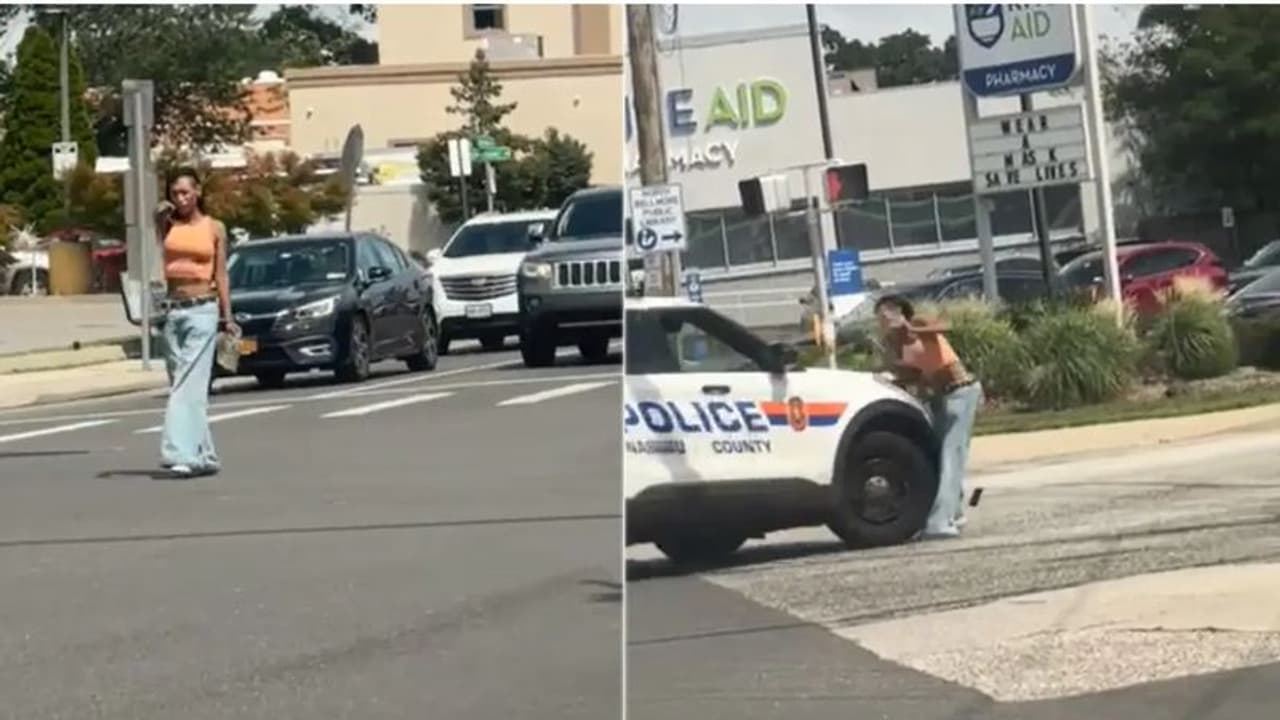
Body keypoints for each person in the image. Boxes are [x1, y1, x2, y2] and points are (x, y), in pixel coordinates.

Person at [874, 295, 982, 539]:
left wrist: (913, 328)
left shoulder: (919, 325)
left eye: (888, 313)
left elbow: (945, 327)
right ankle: (953, 511)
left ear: (901, 312)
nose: (883, 319)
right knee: (938, 456)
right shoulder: (894, 344)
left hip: (961, 392)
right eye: (880, 316)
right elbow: (911, 374)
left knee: (951, 455)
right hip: (938, 398)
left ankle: (941, 522)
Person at [156, 167, 237, 478]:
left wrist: (226, 316)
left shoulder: (214, 228)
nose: (181, 198)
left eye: (186, 192)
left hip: (203, 309)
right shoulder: (166, 225)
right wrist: (157, 215)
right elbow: (154, 231)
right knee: (184, 385)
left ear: (198, 192)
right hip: (173, 310)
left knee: (185, 385)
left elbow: (221, 274)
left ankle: (179, 454)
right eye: (175, 193)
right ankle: (204, 454)